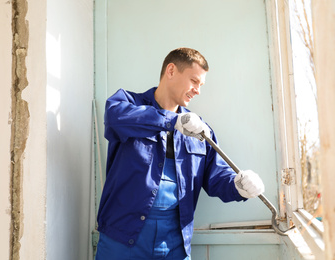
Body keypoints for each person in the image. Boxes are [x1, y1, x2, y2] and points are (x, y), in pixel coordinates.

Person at [96, 47, 265, 259]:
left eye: (201, 85)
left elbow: (216, 179)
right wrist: (171, 121)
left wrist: (239, 187)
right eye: (194, 81)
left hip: (174, 242)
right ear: (171, 70)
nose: (198, 90)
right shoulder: (127, 104)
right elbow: (115, 117)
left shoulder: (200, 130)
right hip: (121, 238)